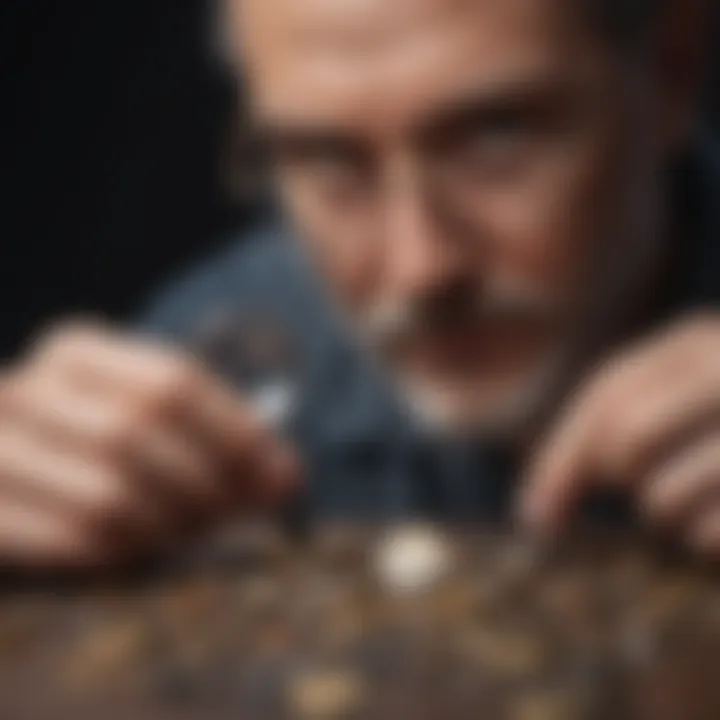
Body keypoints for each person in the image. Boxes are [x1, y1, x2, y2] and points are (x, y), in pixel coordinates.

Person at [0, 0, 717, 567]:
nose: (420, 270)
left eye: (496, 137)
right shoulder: (207, 360)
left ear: (670, 71)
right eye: (327, 161)